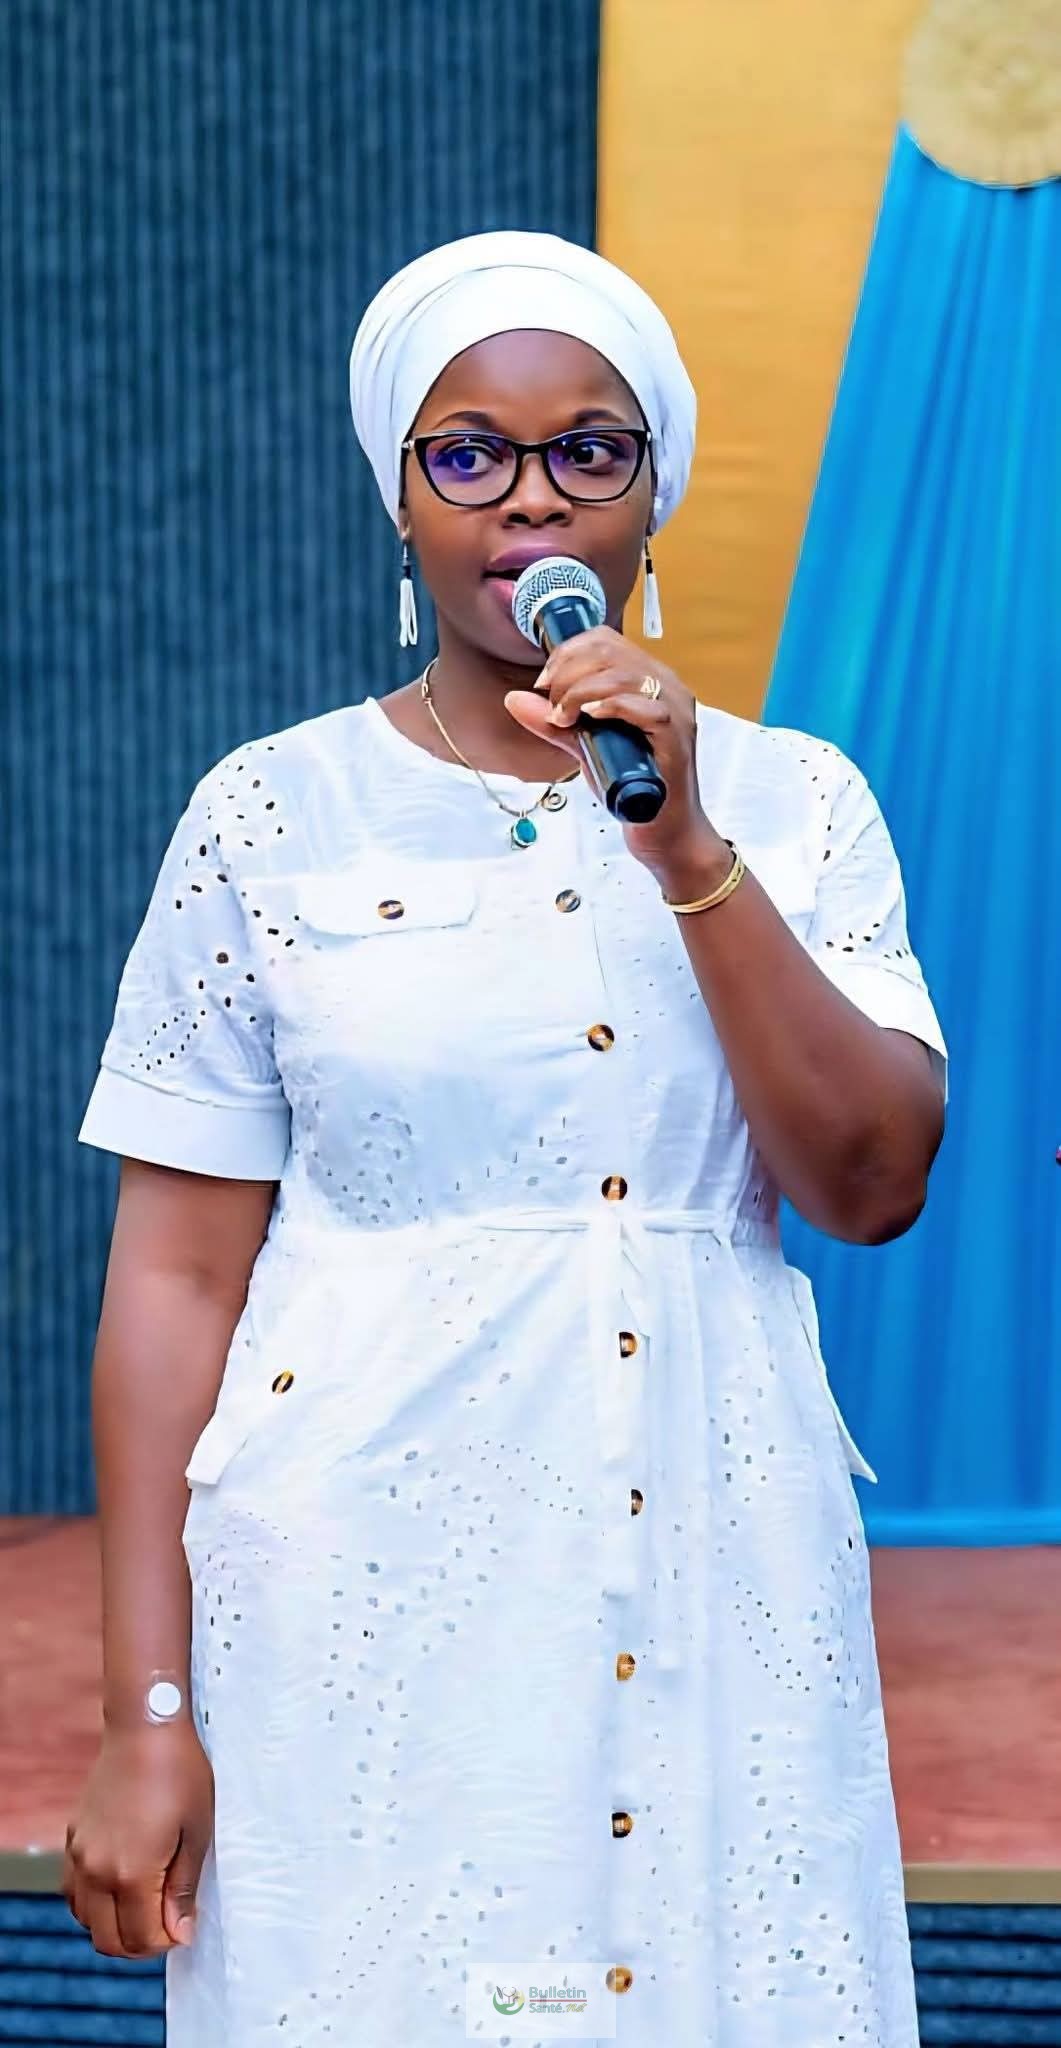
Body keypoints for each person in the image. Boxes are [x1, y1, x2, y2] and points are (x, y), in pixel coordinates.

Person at [66, 229, 948, 2046]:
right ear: (399, 497)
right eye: (466, 453)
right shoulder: (269, 813)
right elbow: (172, 1284)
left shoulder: (793, 803)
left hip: (713, 1548)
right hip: (353, 1577)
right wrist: (146, 1713)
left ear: (650, 497)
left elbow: (869, 1182)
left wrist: (682, 843)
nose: (527, 499)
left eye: (584, 451)